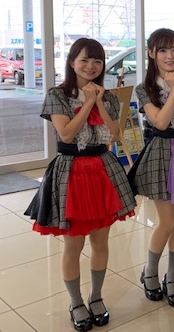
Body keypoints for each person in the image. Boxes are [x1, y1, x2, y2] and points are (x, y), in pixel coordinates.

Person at [24, 38, 136, 332]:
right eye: (84, 59)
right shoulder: (57, 95)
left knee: (101, 242)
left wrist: (98, 101)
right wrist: (87, 103)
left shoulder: (108, 97)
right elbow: (67, 134)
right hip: (71, 172)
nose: (91, 66)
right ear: (72, 62)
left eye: (97, 61)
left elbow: (114, 135)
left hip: (102, 170)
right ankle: (76, 302)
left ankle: (96, 297)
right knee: (73, 245)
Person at [127, 28, 174, 307]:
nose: (170, 56)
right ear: (151, 53)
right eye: (163, 50)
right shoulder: (145, 88)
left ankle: (173, 277)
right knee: (167, 222)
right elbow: (161, 122)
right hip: (163, 154)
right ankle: (151, 272)